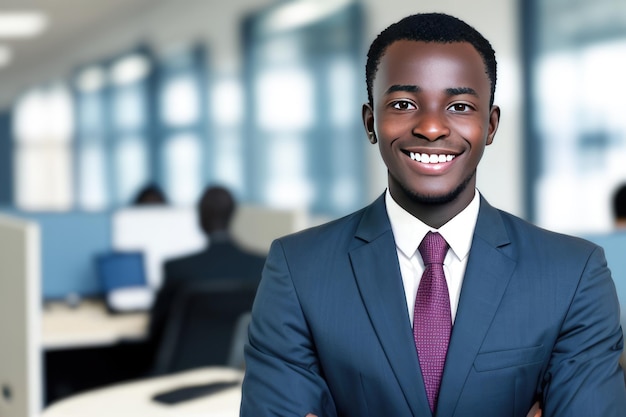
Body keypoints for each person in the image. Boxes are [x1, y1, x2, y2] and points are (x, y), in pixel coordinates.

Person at [240, 13, 626, 417]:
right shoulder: (298, 270)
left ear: (490, 126)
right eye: (404, 104)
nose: (430, 127)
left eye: (459, 105)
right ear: (371, 122)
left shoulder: (573, 273)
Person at [147, 185, 266, 359]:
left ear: (200, 218)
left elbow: (156, 330)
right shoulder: (260, 265)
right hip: (234, 374)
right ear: (233, 215)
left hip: (180, 371)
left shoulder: (177, 268)